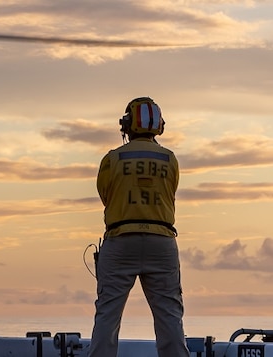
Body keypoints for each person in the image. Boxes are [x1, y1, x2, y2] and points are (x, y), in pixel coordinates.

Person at [90, 97, 188, 357]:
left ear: (126, 126)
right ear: (159, 126)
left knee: (108, 315)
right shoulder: (170, 160)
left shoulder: (112, 159)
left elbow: (105, 195)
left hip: (120, 239)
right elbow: (171, 191)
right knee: (170, 316)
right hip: (162, 241)